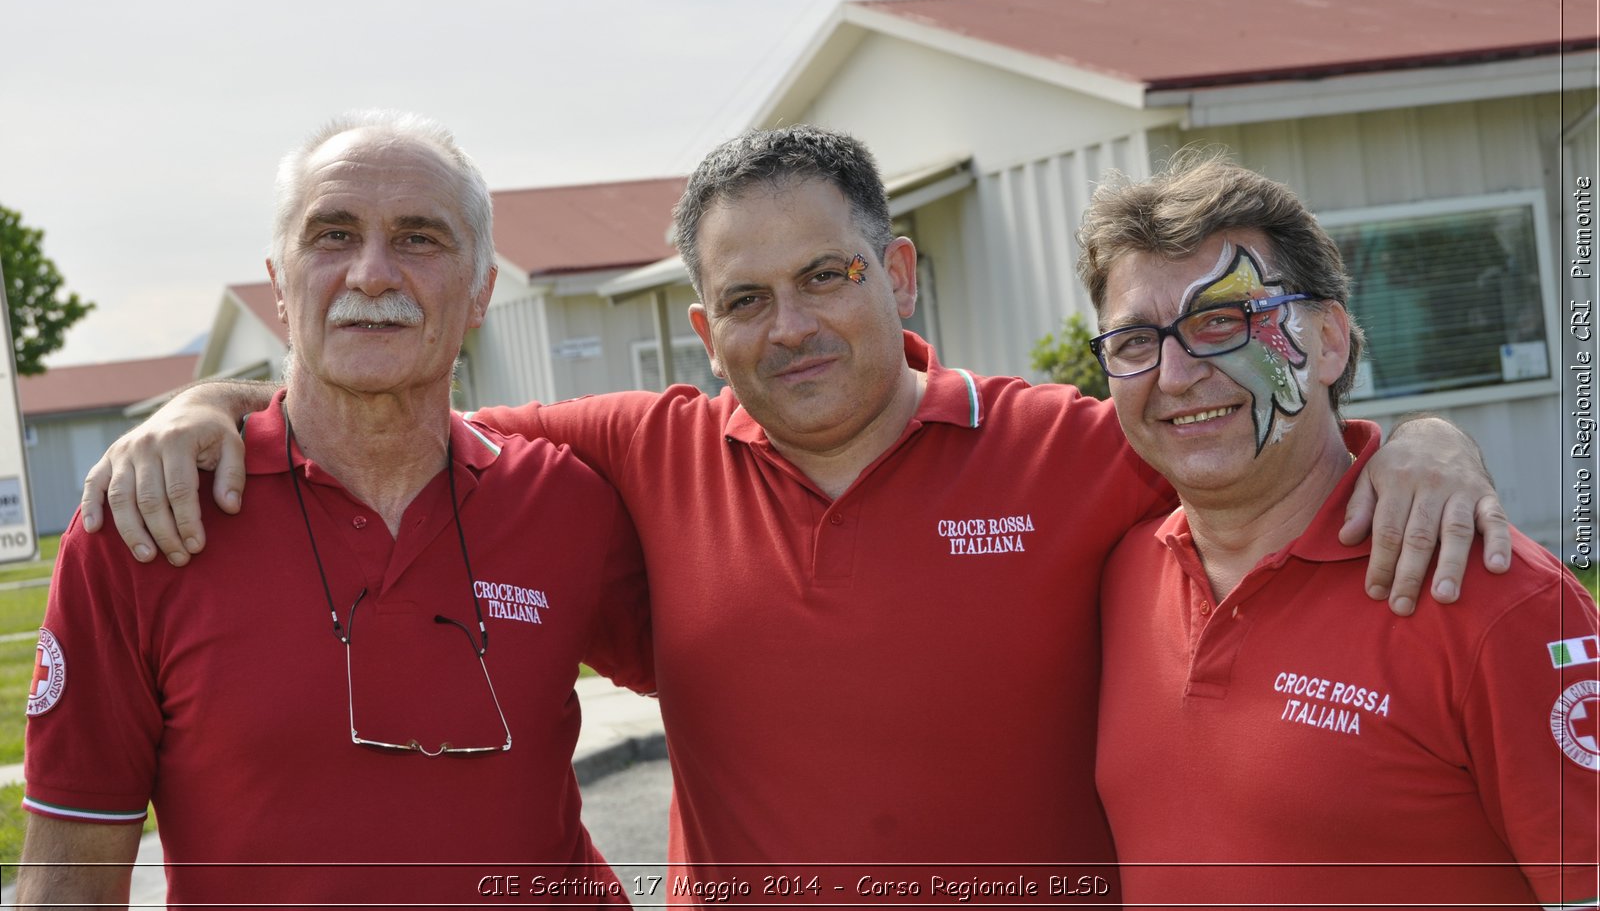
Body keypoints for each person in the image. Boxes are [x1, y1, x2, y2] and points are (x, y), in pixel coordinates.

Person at [80, 125, 1509, 900]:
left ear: (896, 272)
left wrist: (1422, 440)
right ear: (706, 327)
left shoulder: (1077, 444)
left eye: (826, 277)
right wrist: (204, 406)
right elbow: (379, 402)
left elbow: (1254, 451)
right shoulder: (635, 451)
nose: (794, 326)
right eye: (749, 299)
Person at [21, 112, 646, 908]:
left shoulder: (567, 502)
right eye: (334, 235)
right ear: (280, 284)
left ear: (482, 289)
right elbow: (67, 885)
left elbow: (755, 692)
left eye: (420, 238)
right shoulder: (146, 523)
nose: (373, 273)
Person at [1078, 154, 1599, 908]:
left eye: (1221, 321)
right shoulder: (1118, 574)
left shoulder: (1498, 600)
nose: (1176, 373)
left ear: (1328, 341)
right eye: (1133, 342)